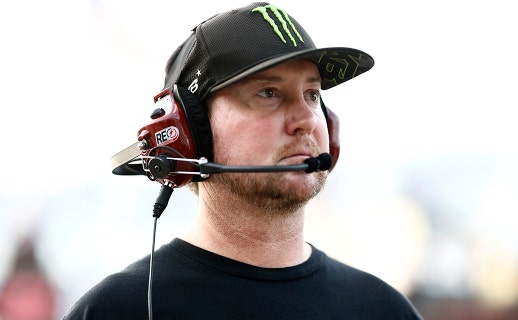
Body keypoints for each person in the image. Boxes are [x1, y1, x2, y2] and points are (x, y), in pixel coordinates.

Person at [63, 2, 423, 319]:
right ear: (191, 130)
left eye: (312, 94)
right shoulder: (117, 310)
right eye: (269, 92)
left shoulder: (382, 308)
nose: (308, 120)